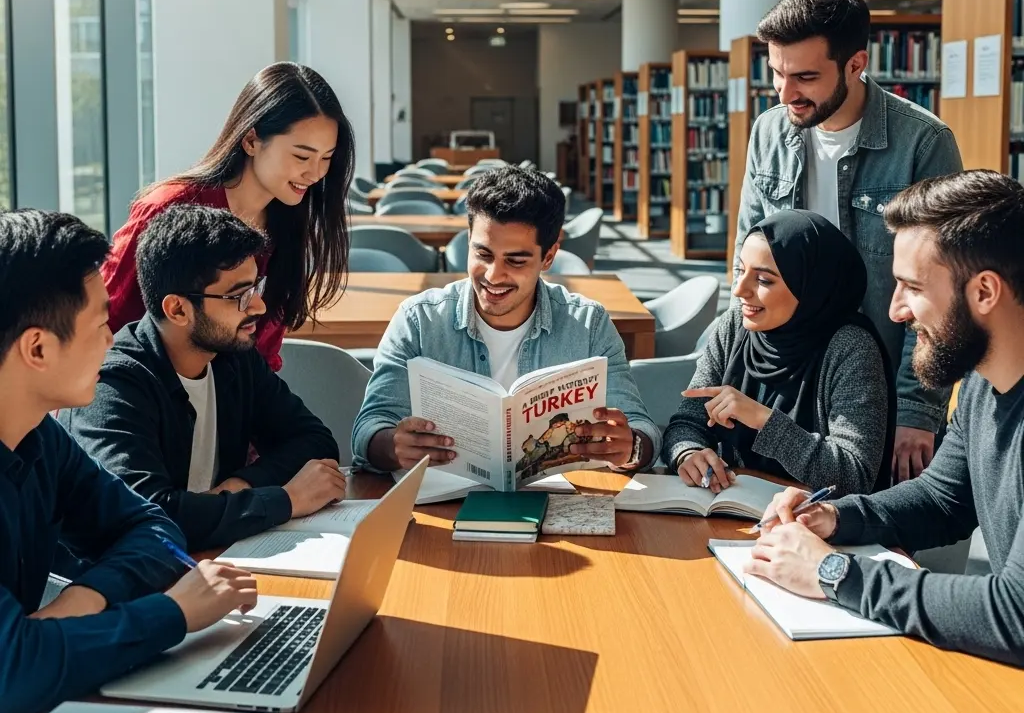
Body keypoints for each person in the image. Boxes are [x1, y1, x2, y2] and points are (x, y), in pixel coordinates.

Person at [747, 171, 1024, 666]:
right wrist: (836, 517)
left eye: (911, 287)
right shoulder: (984, 379)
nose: (896, 311)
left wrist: (835, 574)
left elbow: (1016, 615)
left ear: (984, 292)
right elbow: (942, 499)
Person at [0, 209, 257, 713]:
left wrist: (84, 599)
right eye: (100, 324)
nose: (112, 340)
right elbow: (12, 674)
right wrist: (176, 613)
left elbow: (154, 529)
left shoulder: (38, 435)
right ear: (38, 348)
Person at [737, 0, 962, 483]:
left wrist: (916, 409)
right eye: (777, 73)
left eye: (806, 77)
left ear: (856, 64)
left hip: (875, 383)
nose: (786, 93)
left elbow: (936, 292)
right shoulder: (768, 132)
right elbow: (745, 261)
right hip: (787, 376)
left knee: (867, 536)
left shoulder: (923, 142)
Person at [60, 205, 344, 552]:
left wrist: (238, 487)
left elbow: (314, 441)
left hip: (215, 555)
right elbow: (147, 517)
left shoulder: (234, 357)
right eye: (239, 296)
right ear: (178, 309)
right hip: (131, 583)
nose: (257, 307)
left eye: (256, 287)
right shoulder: (115, 385)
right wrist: (284, 500)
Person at [353, 166, 661, 473]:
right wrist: (393, 445)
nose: (493, 275)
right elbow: (370, 425)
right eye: (483, 254)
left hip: (559, 501)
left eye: (515, 261)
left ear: (549, 257)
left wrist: (629, 446)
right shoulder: (418, 320)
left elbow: (640, 427)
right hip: (443, 504)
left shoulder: (588, 325)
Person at [103, 62, 355, 371]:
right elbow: (106, 323)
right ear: (250, 140)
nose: (316, 173)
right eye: (301, 156)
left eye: (327, 158)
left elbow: (263, 360)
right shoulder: (169, 208)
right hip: (141, 397)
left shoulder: (289, 222)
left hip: (231, 407)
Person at [662, 210, 895, 496]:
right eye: (741, 271)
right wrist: (689, 453)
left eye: (763, 280)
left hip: (814, 525)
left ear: (810, 286)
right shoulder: (735, 326)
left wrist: (763, 419)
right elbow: (688, 421)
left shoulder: (851, 349)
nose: (740, 290)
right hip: (731, 511)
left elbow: (853, 475)